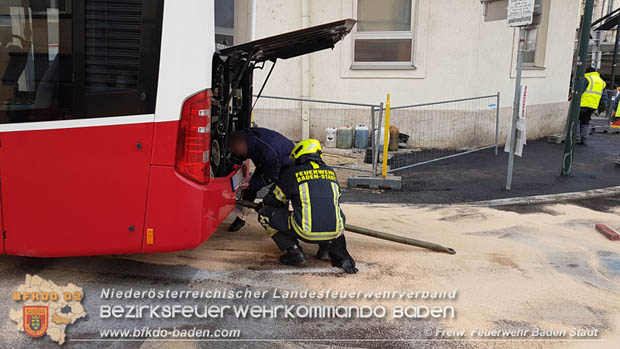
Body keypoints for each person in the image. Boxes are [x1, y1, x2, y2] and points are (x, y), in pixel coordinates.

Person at [255, 139, 358, 274]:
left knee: (264, 215)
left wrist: (263, 206)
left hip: (306, 231)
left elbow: (274, 200)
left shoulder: (293, 173)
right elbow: (335, 200)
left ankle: (294, 251)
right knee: (331, 212)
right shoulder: (331, 172)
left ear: (300, 155)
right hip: (335, 231)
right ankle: (326, 250)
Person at [227, 128, 295, 232]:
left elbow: (272, 175)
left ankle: (282, 227)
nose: (236, 153)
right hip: (265, 162)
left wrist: (251, 184)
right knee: (250, 189)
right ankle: (241, 218)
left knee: (279, 195)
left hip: (285, 165)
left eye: (235, 150)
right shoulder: (250, 140)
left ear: (241, 145)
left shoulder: (267, 151)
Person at [577, 67, 606, 145]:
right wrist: (603, 105)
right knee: (585, 122)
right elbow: (604, 95)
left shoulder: (587, 78)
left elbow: (580, 90)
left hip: (582, 104)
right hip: (593, 105)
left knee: (576, 120)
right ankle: (585, 140)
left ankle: (575, 138)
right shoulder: (602, 82)